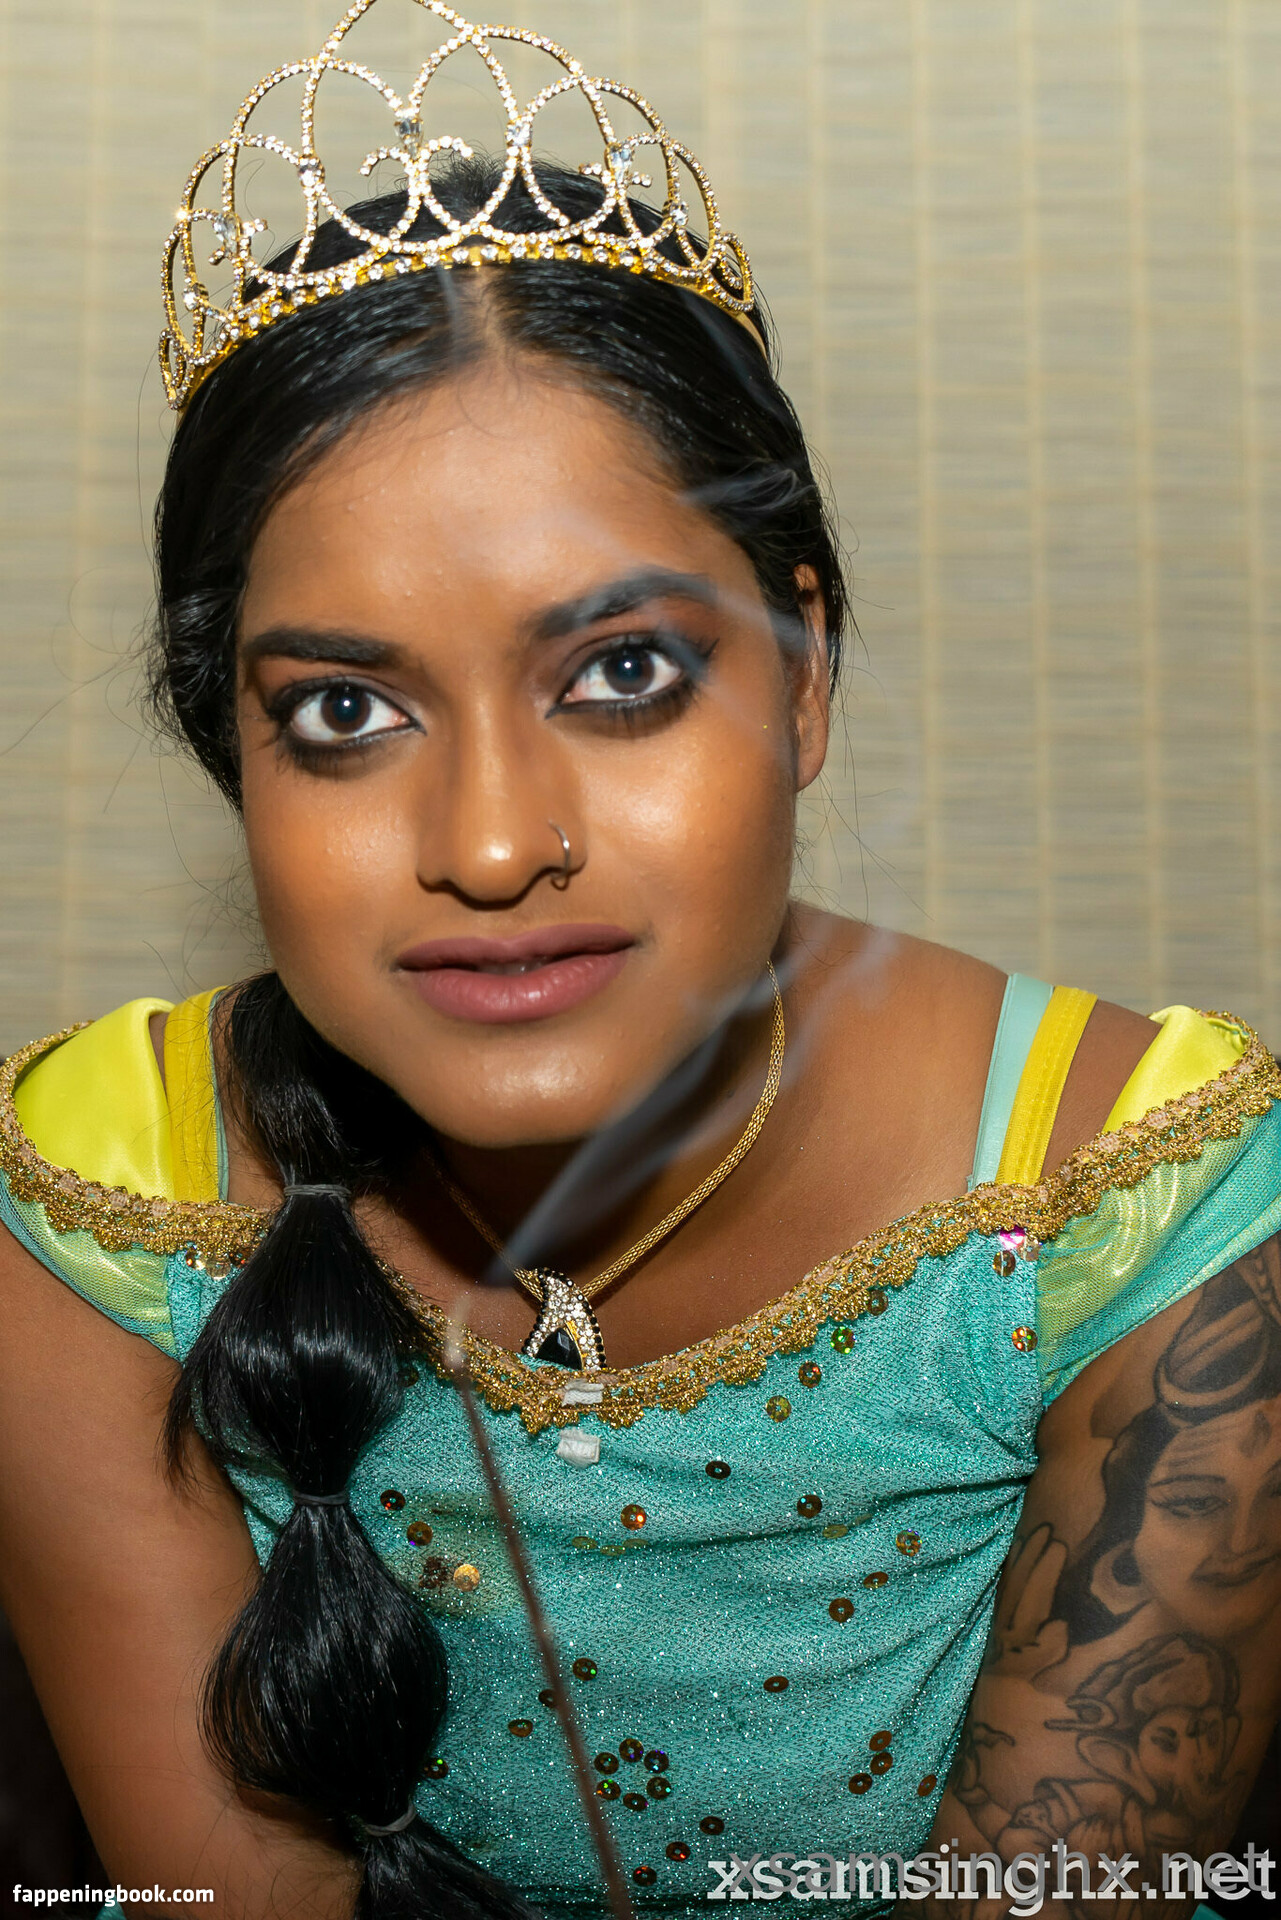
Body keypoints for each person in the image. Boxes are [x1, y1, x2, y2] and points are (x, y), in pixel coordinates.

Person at [0, 8, 1278, 1918]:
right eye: (344, 710)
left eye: (621, 673)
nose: (492, 841)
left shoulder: (1140, 1206)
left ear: (803, 675)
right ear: (231, 752)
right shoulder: (101, 1200)